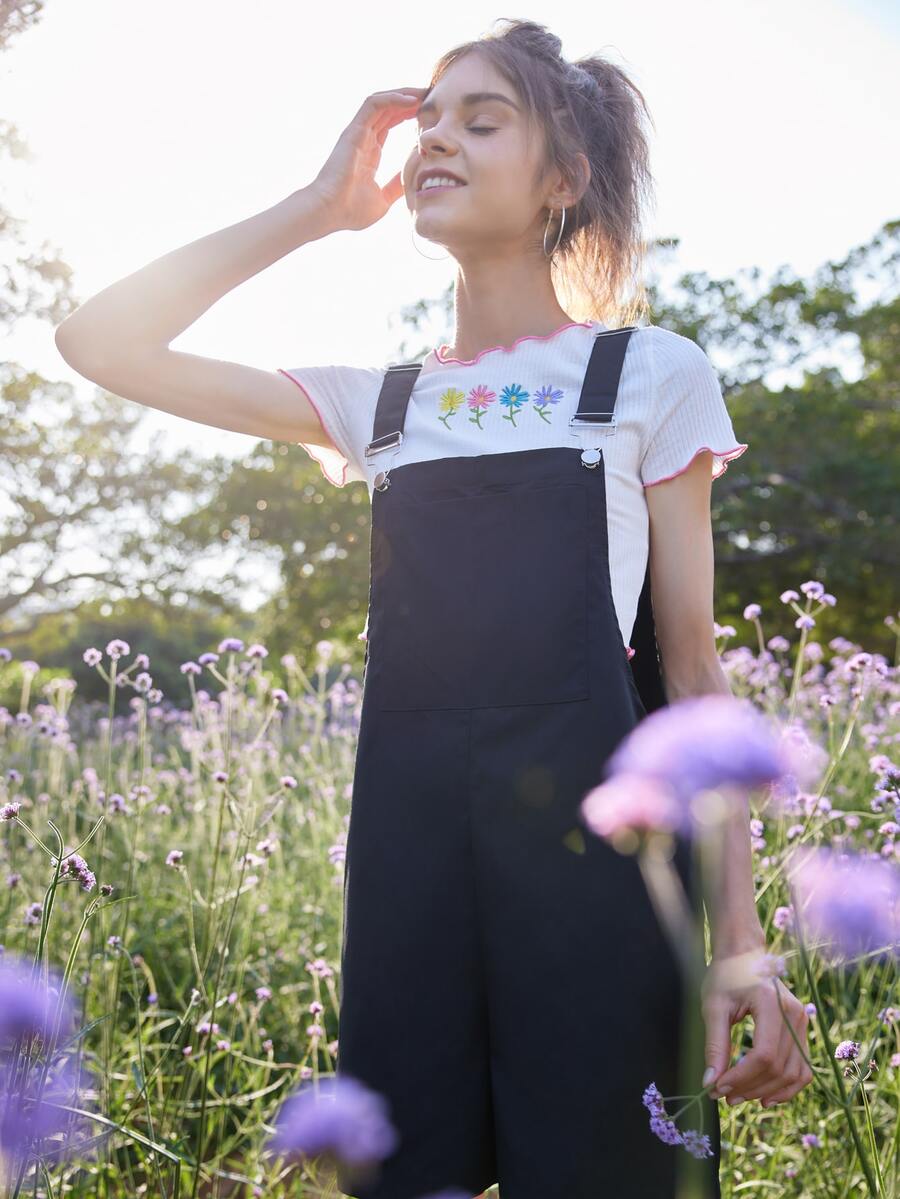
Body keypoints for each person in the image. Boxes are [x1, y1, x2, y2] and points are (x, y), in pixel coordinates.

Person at [55, 18, 814, 1199]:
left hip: (603, 892)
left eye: (482, 118)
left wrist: (742, 948)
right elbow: (99, 341)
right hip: (413, 894)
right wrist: (316, 208)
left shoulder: (648, 374)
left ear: (563, 178)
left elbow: (692, 680)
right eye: (432, 120)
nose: (437, 139)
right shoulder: (384, 405)